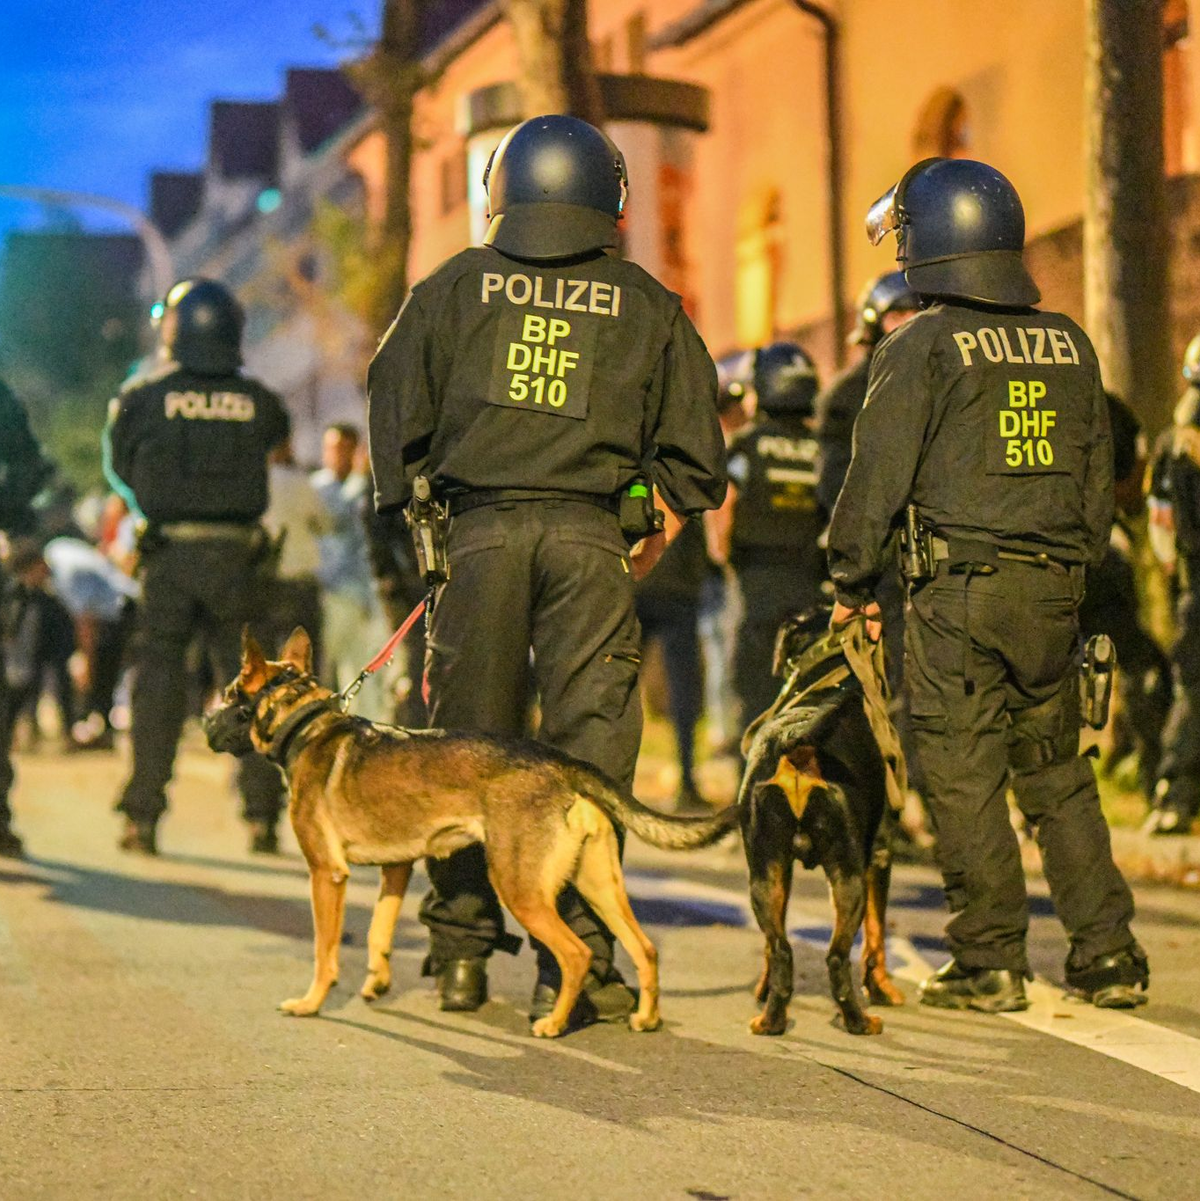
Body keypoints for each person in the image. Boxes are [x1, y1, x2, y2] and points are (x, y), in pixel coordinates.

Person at [367, 114, 726, 1022]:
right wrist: (636, 524)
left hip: (476, 540)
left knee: (460, 754)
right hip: (587, 543)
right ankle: (584, 959)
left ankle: (459, 956)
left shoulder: (449, 289)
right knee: (588, 755)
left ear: (502, 189)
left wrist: (417, 519)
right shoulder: (646, 302)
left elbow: (391, 412)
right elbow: (693, 462)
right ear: (611, 196)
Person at [828, 157, 1147, 1012]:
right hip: (1053, 590)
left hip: (958, 595)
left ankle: (989, 958)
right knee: (1057, 774)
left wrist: (851, 575)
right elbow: (1094, 475)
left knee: (963, 773)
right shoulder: (1069, 343)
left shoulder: (921, 344)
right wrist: (1068, 571)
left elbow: (878, 476)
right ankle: (1108, 953)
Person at [105, 278, 291, 855]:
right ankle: (262, 817)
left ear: (174, 331)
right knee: (251, 687)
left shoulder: (141, 397)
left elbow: (120, 466)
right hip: (238, 558)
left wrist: (156, 499)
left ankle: (143, 815)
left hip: (170, 556)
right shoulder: (260, 400)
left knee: (159, 685)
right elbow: (277, 443)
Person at [707, 341, 824, 732]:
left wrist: (721, 553)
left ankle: (757, 782)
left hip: (757, 586)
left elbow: (725, 504)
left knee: (757, 691)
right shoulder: (823, 447)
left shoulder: (746, 444)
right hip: (813, 585)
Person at [1079, 394, 1169, 805]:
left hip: (1034, 574)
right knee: (1144, 668)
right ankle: (1161, 786)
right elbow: (1133, 481)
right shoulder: (1113, 414)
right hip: (1094, 562)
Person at [1146, 339, 1200, 834]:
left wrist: (1171, 570)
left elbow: (1160, 520)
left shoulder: (1172, 442)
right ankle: (1176, 792)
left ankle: (1174, 793)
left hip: (1192, 584)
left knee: (1192, 687)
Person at [815, 271, 920, 516]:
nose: (908, 325)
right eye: (897, 316)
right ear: (873, 325)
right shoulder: (846, 396)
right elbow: (836, 482)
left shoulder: (946, 378)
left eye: (917, 315)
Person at [311, 424, 389, 718]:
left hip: (365, 595)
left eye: (344, 448)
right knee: (322, 670)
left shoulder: (370, 487)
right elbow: (338, 518)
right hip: (331, 592)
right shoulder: (320, 486)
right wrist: (359, 477)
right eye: (332, 448)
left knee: (361, 673)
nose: (337, 455)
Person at [634, 519, 710, 810]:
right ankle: (688, 784)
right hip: (679, 589)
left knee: (617, 685)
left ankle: (605, 779)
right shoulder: (682, 475)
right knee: (684, 691)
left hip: (638, 584)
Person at [262, 437, 330, 676]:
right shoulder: (300, 482)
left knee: (268, 656)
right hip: (301, 582)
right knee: (307, 659)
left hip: (266, 583)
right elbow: (324, 523)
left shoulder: (253, 484)